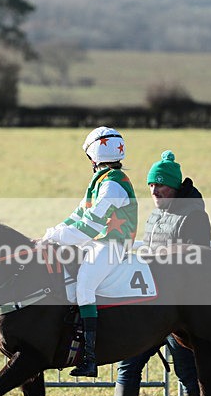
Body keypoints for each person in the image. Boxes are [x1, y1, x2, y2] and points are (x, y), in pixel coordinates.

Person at [70, 149, 211, 396]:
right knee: (128, 365)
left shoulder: (194, 216)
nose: (155, 190)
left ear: (175, 187)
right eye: (151, 185)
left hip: (180, 309)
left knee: (187, 372)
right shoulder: (158, 213)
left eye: (161, 185)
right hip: (150, 306)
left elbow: (197, 259)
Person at [40, 126, 138, 378]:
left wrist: (57, 237)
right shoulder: (102, 182)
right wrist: (52, 233)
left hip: (113, 245)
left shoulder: (112, 185)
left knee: (84, 285)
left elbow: (90, 226)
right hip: (100, 243)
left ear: (93, 157)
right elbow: (77, 216)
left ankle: (90, 358)